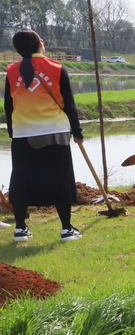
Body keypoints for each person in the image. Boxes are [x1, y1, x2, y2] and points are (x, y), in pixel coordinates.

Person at [3, 30, 84, 242]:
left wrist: (13, 132)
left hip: (23, 135)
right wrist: (77, 132)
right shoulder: (57, 68)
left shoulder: (11, 71)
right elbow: (69, 105)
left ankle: (20, 228)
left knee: (21, 180)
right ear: (40, 43)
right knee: (61, 179)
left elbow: (8, 106)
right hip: (54, 133)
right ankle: (67, 229)